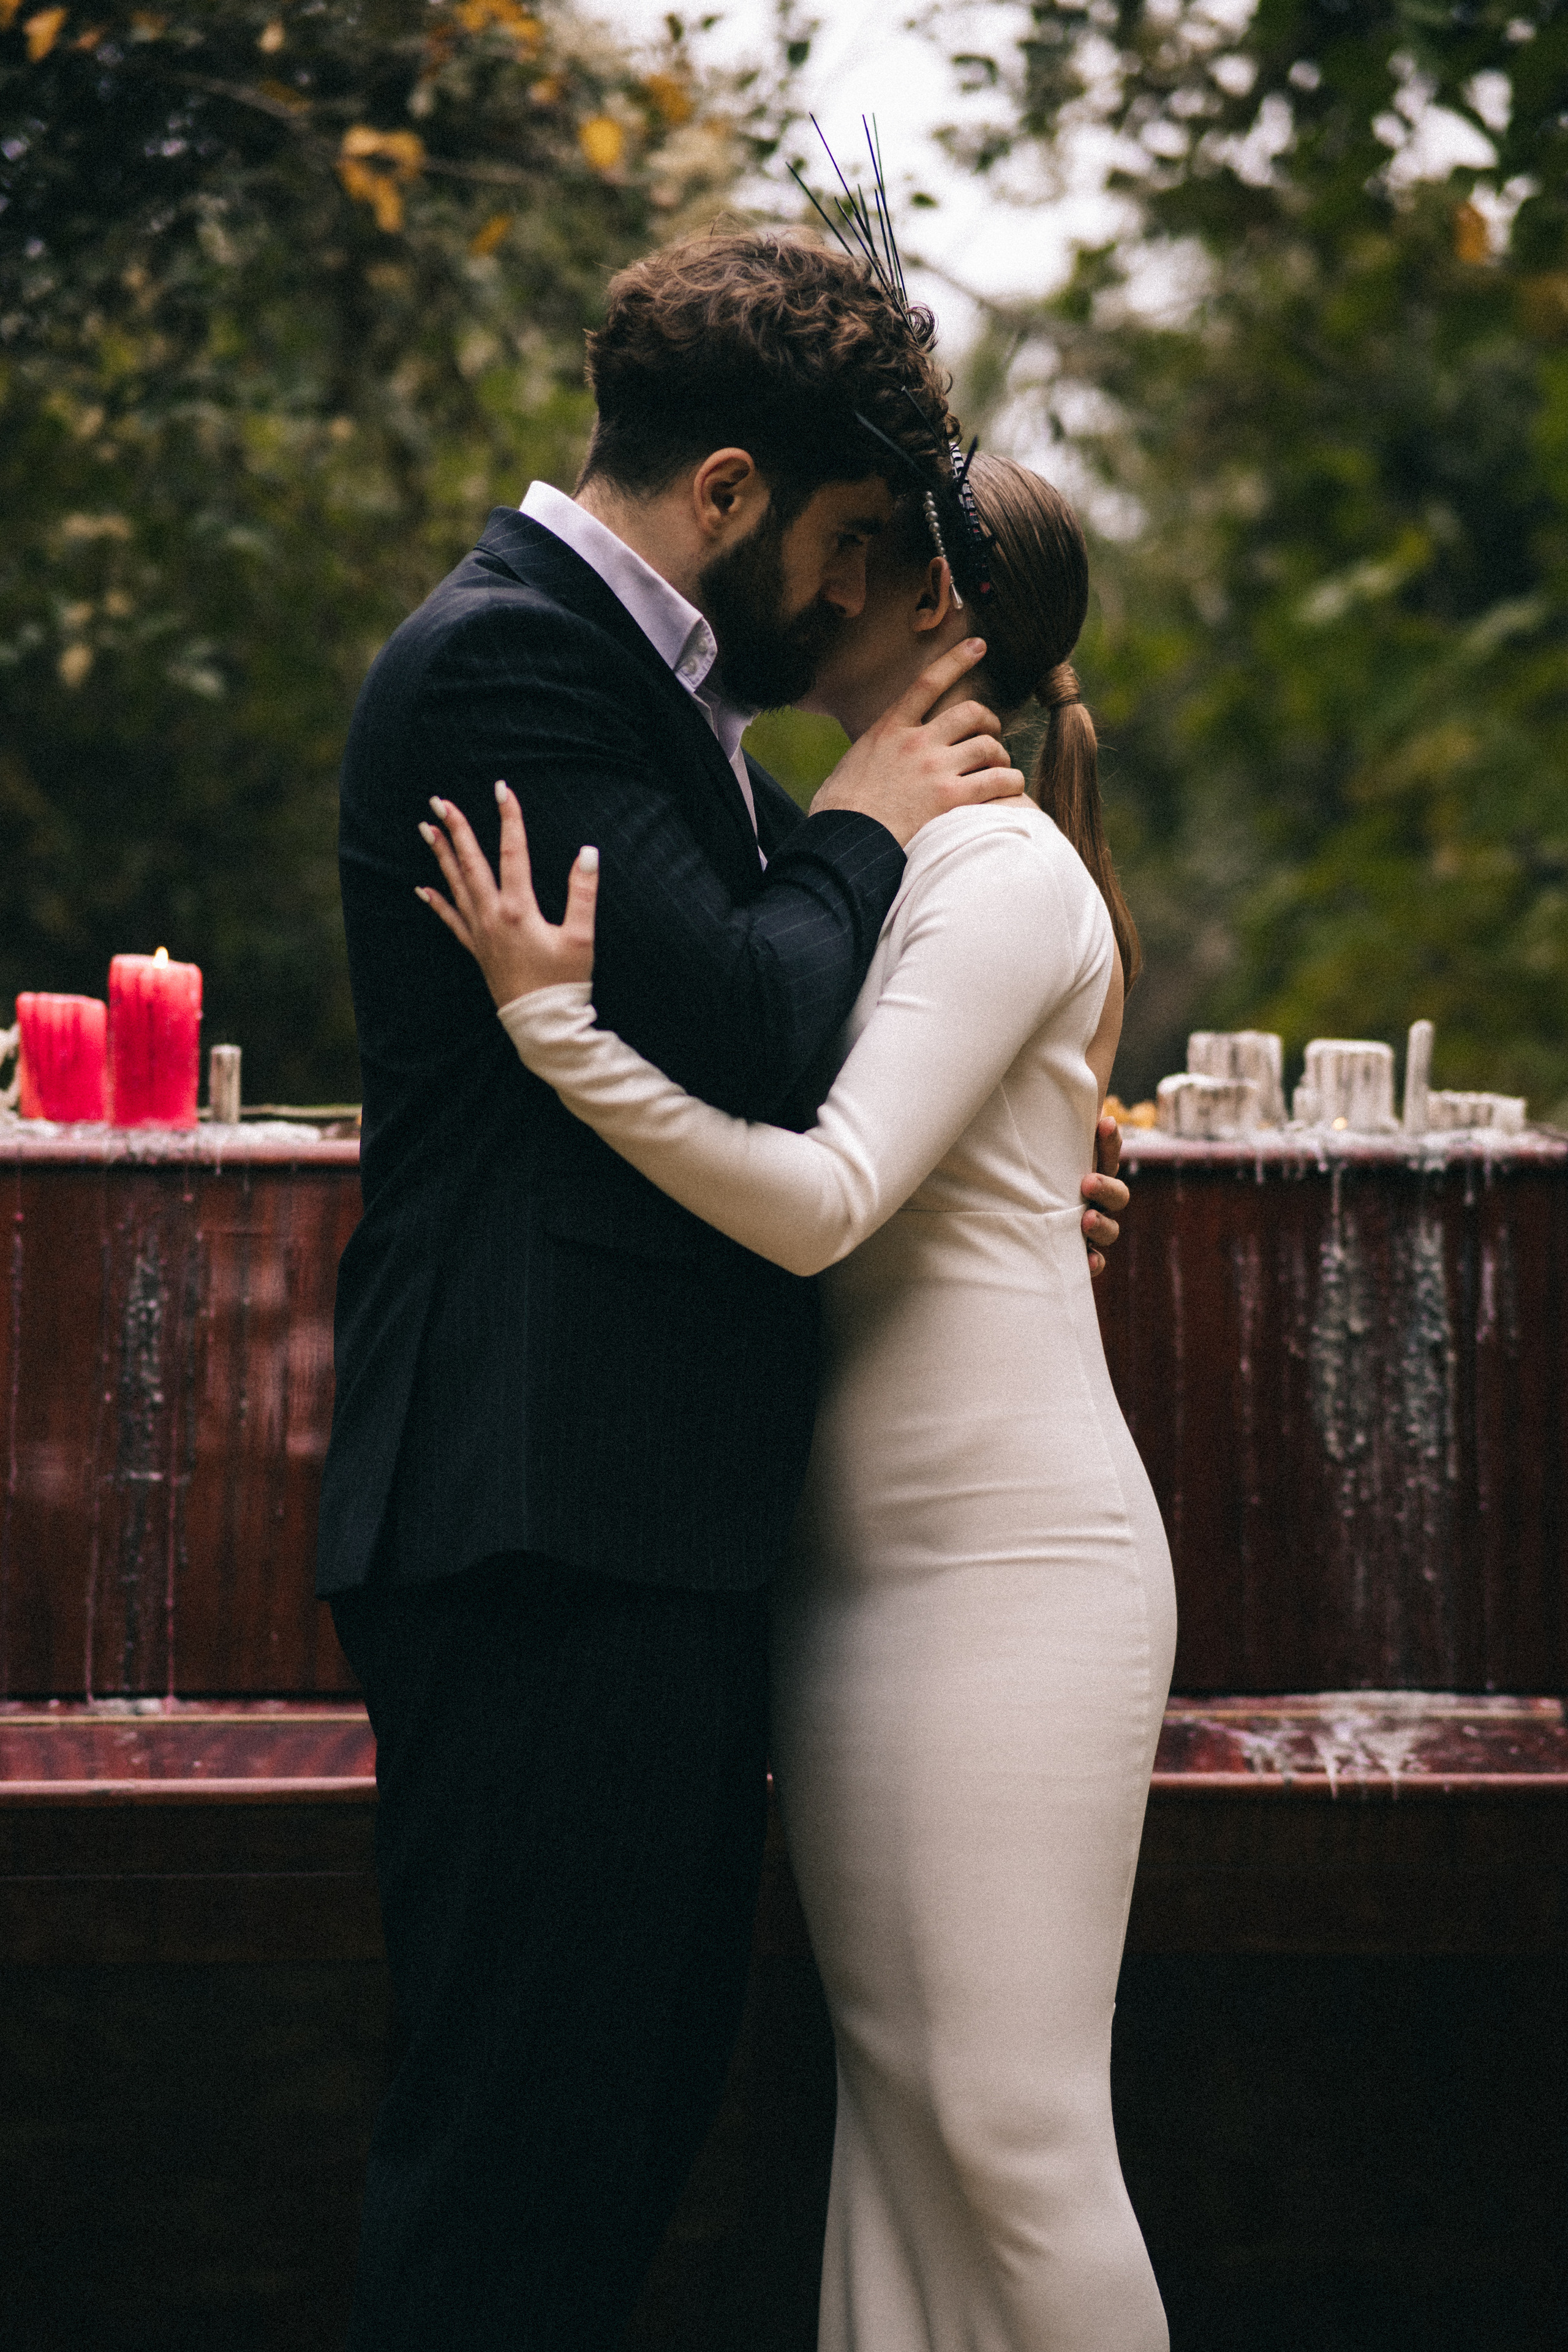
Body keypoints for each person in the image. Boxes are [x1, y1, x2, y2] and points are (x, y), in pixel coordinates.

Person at [318, 229, 1129, 2351]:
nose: (855, 597)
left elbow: (831, 1064)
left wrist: (1021, 1177)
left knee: (624, 2130)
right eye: (850, 539)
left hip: (640, 1524)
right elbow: (761, 1030)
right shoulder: (508, 665)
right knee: (520, 2152)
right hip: (538, 1509)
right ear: (735, 493)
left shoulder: (648, 694)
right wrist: (855, 825)